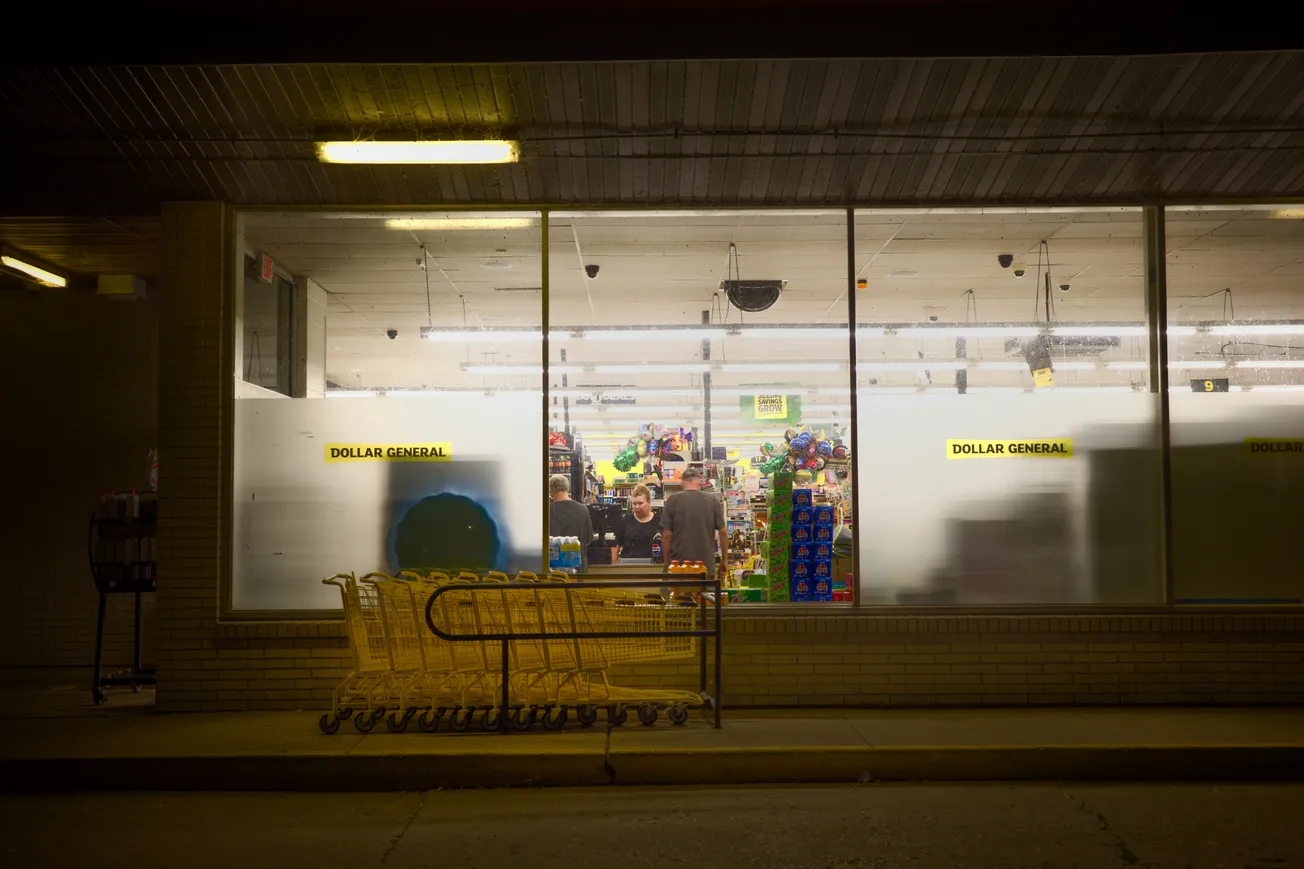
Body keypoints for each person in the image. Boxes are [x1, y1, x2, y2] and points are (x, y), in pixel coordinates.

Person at [659, 467, 727, 580]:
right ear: (700, 482)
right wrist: (724, 560)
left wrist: (667, 564)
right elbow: (723, 532)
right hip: (705, 566)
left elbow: (666, 535)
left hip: (678, 566)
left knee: (678, 597)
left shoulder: (672, 500)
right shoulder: (712, 500)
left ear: (682, 483)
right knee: (705, 597)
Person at [548, 474, 594, 573]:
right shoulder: (583, 509)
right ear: (567, 488)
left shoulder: (547, 510)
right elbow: (589, 538)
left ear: (551, 489)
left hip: (553, 566)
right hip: (577, 566)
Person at [616, 484, 659, 560]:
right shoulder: (625, 521)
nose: (637, 507)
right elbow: (616, 545)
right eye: (634, 504)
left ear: (649, 502)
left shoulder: (659, 522)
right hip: (628, 565)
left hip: (652, 566)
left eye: (640, 503)